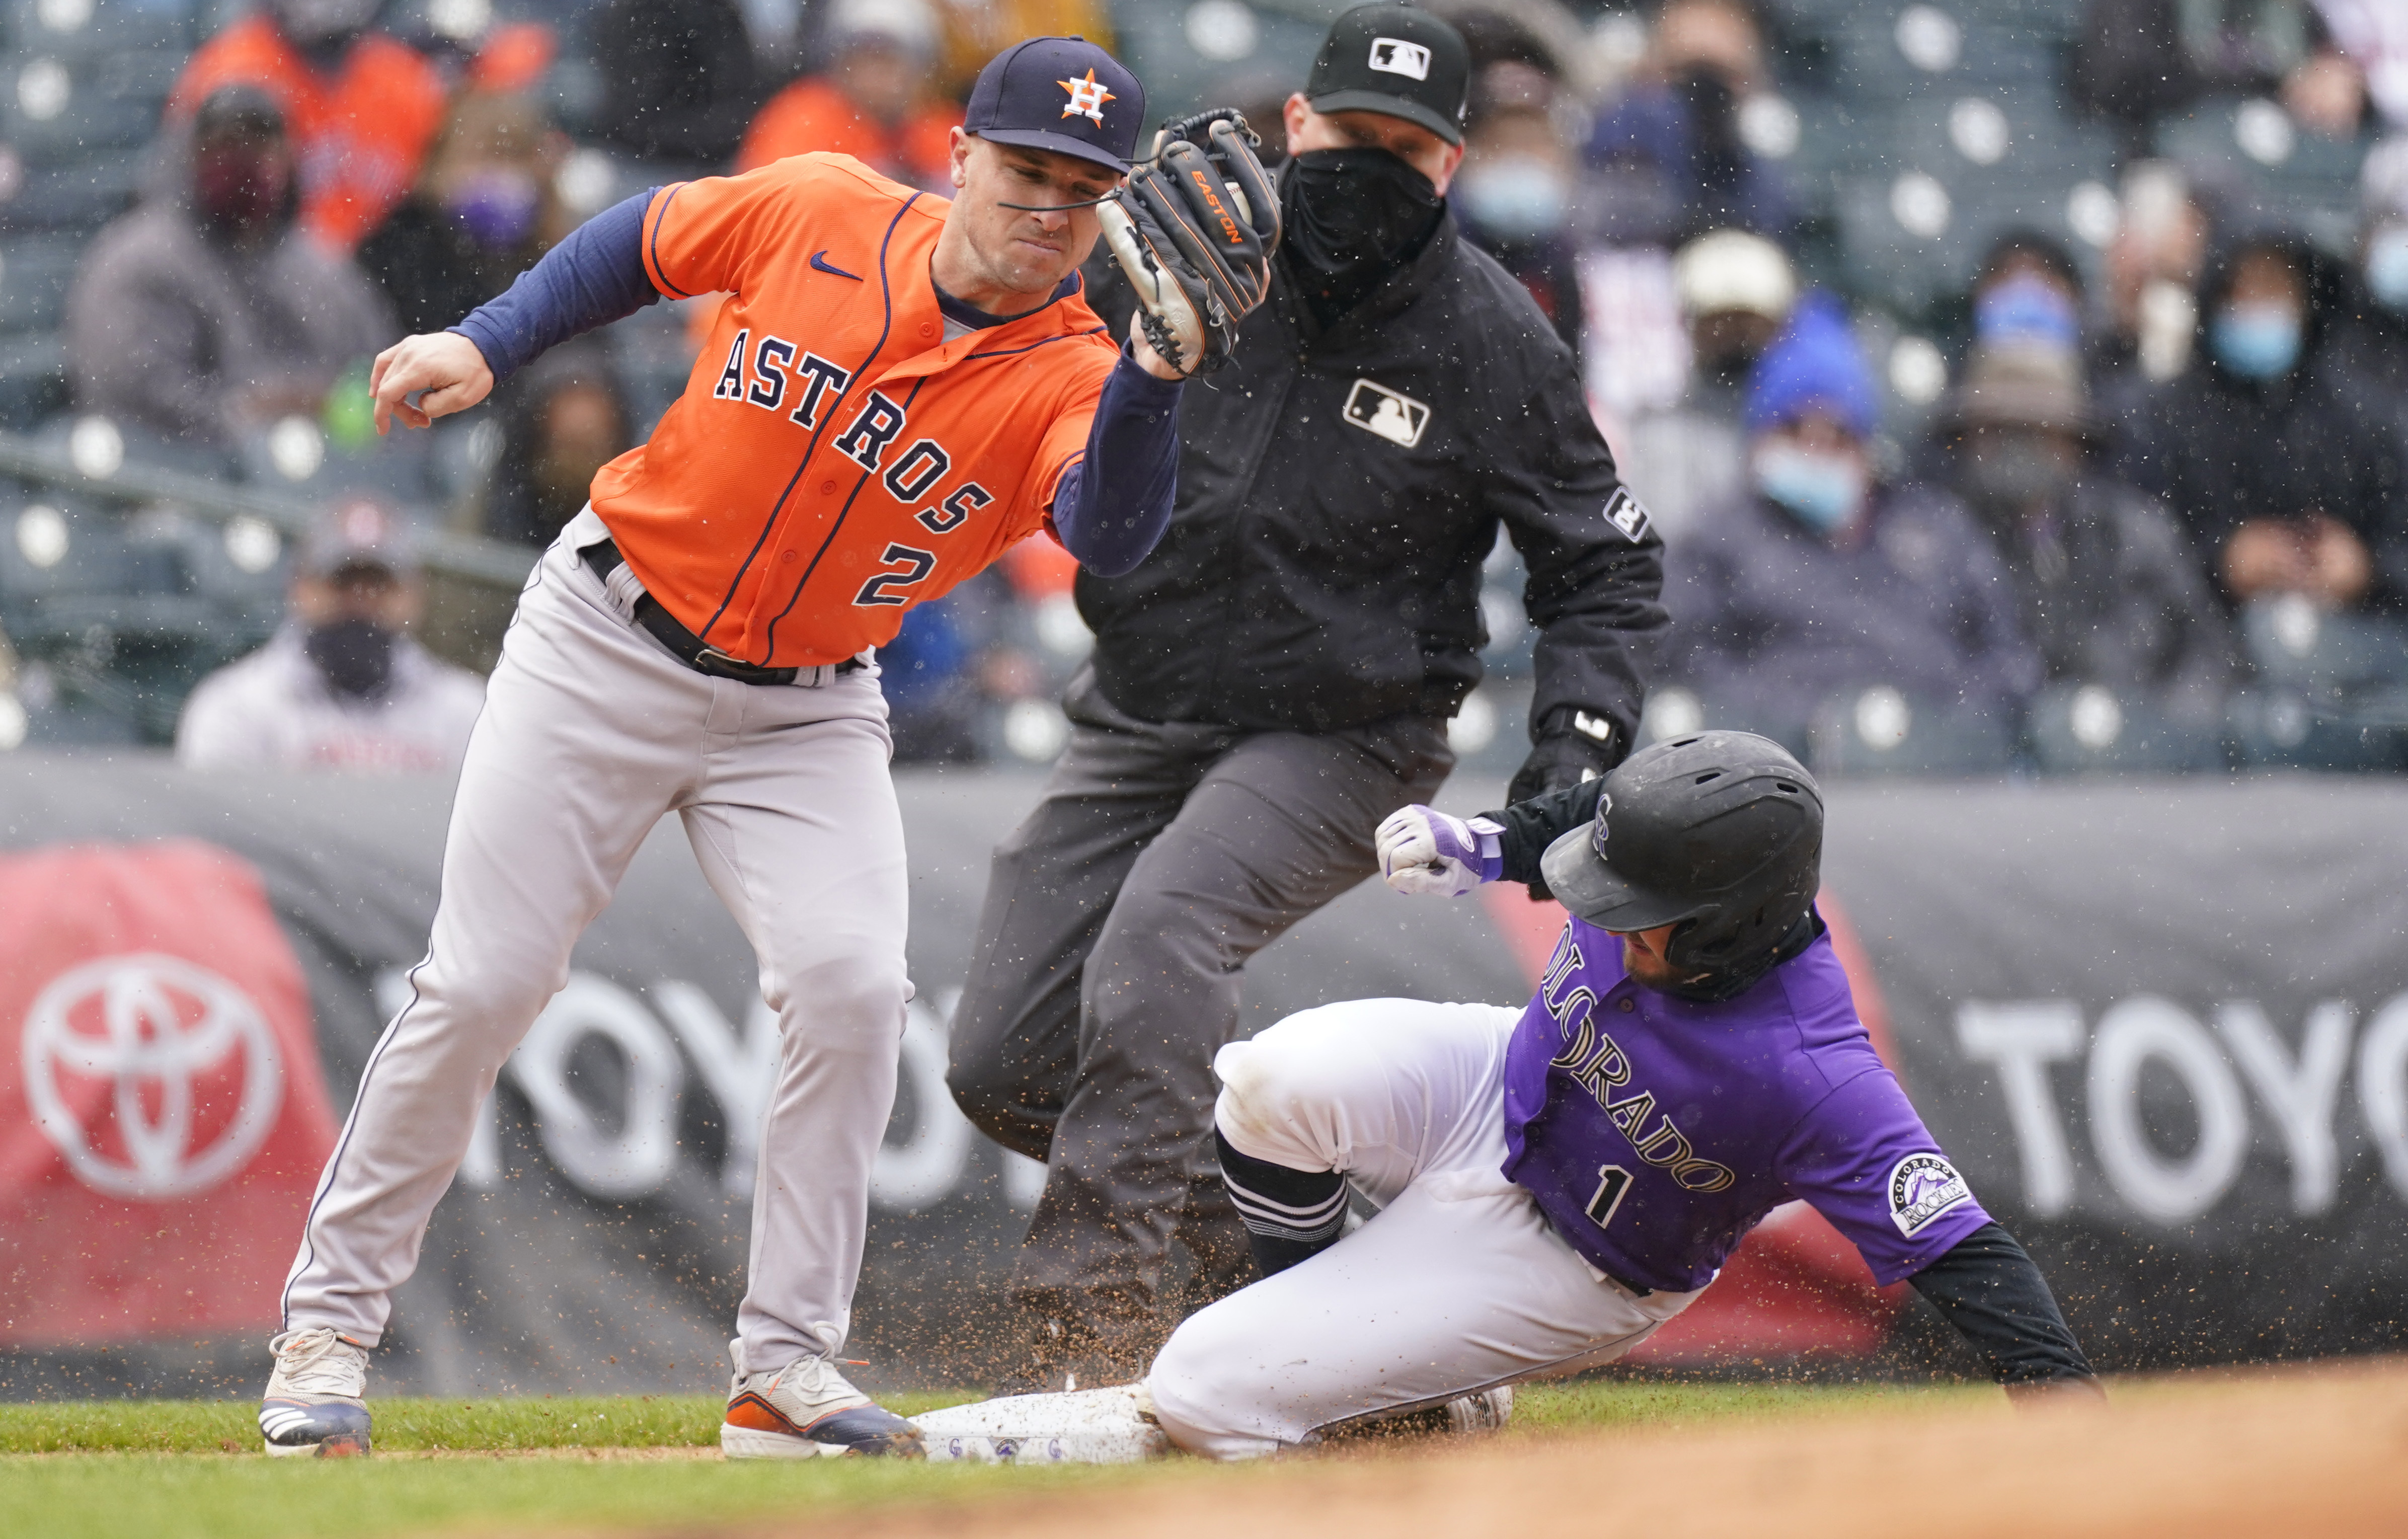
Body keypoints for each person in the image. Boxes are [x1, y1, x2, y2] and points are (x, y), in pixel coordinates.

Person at [254, 37, 1208, 1461]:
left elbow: (1115, 536)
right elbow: (640, 241)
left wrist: (1160, 373)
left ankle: (786, 1374)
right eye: (1025, 170)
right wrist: (485, 339)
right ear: (960, 155)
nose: (1046, 208)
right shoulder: (824, 204)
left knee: (849, 991)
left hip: (810, 707)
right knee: (485, 979)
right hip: (606, 638)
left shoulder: (1080, 370)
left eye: (1083, 188)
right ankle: (325, 1332)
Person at [948, 6, 1667, 1391]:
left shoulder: (1490, 337)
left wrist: (1578, 734)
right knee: (1002, 1057)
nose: (1372, 166)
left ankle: (1078, 1343)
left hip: (1346, 732)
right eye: (1350, 138)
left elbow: (1603, 564)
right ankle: (1336, 1294)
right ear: (1295, 127)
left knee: (1163, 941)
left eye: (1408, 148)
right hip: (1143, 703)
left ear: (1450, 167)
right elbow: (1007, 357)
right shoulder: (1189, 249)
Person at [914, 732, 2103, 1460]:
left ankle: (1404, 1405)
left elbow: (1966, 1255)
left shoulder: (1813, 1072)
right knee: (1270, 1081)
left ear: (1736, 921)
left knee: (1201, 1388)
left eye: (1642, 909)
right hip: (1498, 1079)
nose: (1609, 910)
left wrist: (2086, 1429)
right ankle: (1358, 1364)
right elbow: (1580, 825)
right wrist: (1481, 844)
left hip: (1580, 1256)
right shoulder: (1670, 856)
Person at [1663, 294, 2039, 751]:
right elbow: (1681, 659)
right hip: (1782, 773)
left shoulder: (1938, 528)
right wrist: (1785, 723)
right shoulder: (1721, 537)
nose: (1816, 449)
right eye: (1795, 430)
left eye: (1836, 434)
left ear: (1865, 444)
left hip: (1936, 775)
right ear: (1759, 440)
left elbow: (2006, 657)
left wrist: (1941, 727)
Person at [67, 87, 393, 452]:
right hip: (183, 483)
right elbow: (128, 396)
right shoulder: (139, 261)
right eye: (225, 146)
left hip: (324, 480)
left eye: (262, 146)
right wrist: (252, 418)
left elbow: (382, 386)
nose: (244, 161)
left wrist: (330, 415)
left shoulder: (325, 269)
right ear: (190, 157)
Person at [1939, 346, 2231, 733]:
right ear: (1968, 441)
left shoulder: (2135, 532)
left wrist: (2159, 731)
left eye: (2036, 431)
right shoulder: (1940, 538)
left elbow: (2205, 652)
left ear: (2073, 443)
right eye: (2000, 431)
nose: (2017, 451)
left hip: (2135, 759)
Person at [2120, 227, 2408, 615]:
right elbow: (2124, 548)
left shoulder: (2363, 415)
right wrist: (2221, 559)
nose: (2256, 307)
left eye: (2274, 290)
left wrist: (2366, 568)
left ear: (2306, 303)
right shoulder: (2161, 417)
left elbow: (2396, 532)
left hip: (2354, 646)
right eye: (2242, 291)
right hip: (2204, 650)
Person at [176, 499, 485, 773]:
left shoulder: (464, 712)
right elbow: (219, 831)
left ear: (413, 596)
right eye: (342, 582)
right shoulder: (237, 707)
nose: (360, 601)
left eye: (378, 584)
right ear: (299, 588)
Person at [168, 0, 450, 254]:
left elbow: (431, 206)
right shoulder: (229, 70)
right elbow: (182, 207)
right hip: (256, 268)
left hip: (379, 280)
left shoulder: (408, 80)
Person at [1606, 226, 1793, 544]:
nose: (1736, 335)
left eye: (1749, 321)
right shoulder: (1654, 429)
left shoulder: (1803, 430)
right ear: (1689, 323)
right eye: (1720, 320)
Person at [357, 91, 574, 339]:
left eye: (513, 157)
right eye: (484, 156)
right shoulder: (394, 251)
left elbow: (577, 351)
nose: (498, 175)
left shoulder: (555, 257)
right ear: (437, 165)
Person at [738, 0, 958, 188]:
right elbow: (770, 203)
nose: (874, 76)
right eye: (863, 58)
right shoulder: (801, 120)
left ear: (918, 69)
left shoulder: (940, 128)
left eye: (887, 60)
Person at [479, 342, 636, 548]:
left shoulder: (636, 519)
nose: (580, 424)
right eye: (568, 447)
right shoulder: (493, 509)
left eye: (589, 449)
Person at [588, 0, 764, 169]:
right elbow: (641, 120)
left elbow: (741, 86)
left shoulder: (716, 9)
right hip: (653, 167)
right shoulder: (647, 13)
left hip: (712, 158)